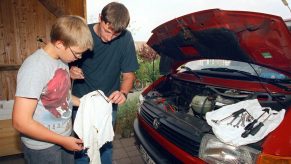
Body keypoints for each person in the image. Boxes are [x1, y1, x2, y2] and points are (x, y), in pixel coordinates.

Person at [12, 15, 93, 164]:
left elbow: (62, 97)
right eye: (77, 53)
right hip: (43, 147)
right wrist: (62, 140)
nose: (79, 57)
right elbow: (20, 122)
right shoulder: (35, 67)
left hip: (64, 137)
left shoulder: (62, 60)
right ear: (60, 44)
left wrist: (87, 102)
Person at [70, 2, 139, 164]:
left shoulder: (126, 37)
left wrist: (123, 92)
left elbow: (129, 75)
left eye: (115, 35)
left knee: (105, 147)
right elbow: (62, 62)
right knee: (82, 148)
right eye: (107, 31)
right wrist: (70, 71)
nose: (109, 38)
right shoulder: (83, 33)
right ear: (100, 18)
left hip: (107, 104)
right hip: (81, 103)